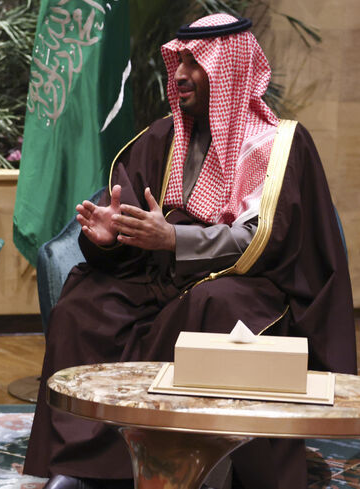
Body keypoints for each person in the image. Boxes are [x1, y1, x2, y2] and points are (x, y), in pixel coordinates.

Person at [23, 13, 355, 489]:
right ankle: (82, 468)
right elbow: (135, 218)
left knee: (215, 306)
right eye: (177, 61)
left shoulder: (279, 145)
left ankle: (213, 470)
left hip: (247, 281)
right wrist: (109, 237)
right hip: (159, 277)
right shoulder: (162, 138)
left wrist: (175, 239)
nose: (178, 74)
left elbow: (268, 239)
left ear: (228, 69)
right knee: (84, 303)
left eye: (193, 63)